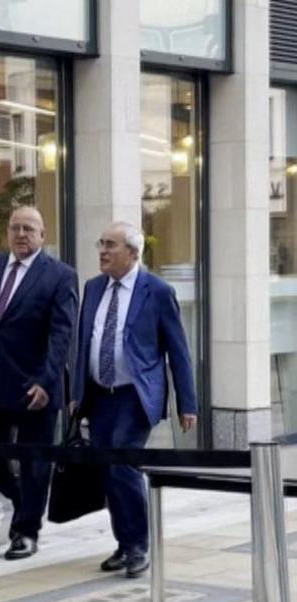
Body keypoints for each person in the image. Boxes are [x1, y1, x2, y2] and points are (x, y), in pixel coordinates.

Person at [71, 221, 197, 579]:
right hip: (99, 395)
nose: (103, 251)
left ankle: (139, 545)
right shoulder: (94, 287)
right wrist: (76, 394)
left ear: (133, 252)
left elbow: (178, 350)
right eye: (101, 243)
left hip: (135, 396)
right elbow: (85, 343)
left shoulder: (156, 291)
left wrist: (187, 403)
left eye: (111, 245)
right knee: (107, 470)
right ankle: (124, 543)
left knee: (123, 465)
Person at [0, 206, 78, 560]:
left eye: (28, 228)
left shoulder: (60, 276)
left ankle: (26, 531)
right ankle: (21, 500)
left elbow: (62, 335)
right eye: (15, 228)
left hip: (34, 387)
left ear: (42, 235)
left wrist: (46, 380)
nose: (21, 234)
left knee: (34, 462)